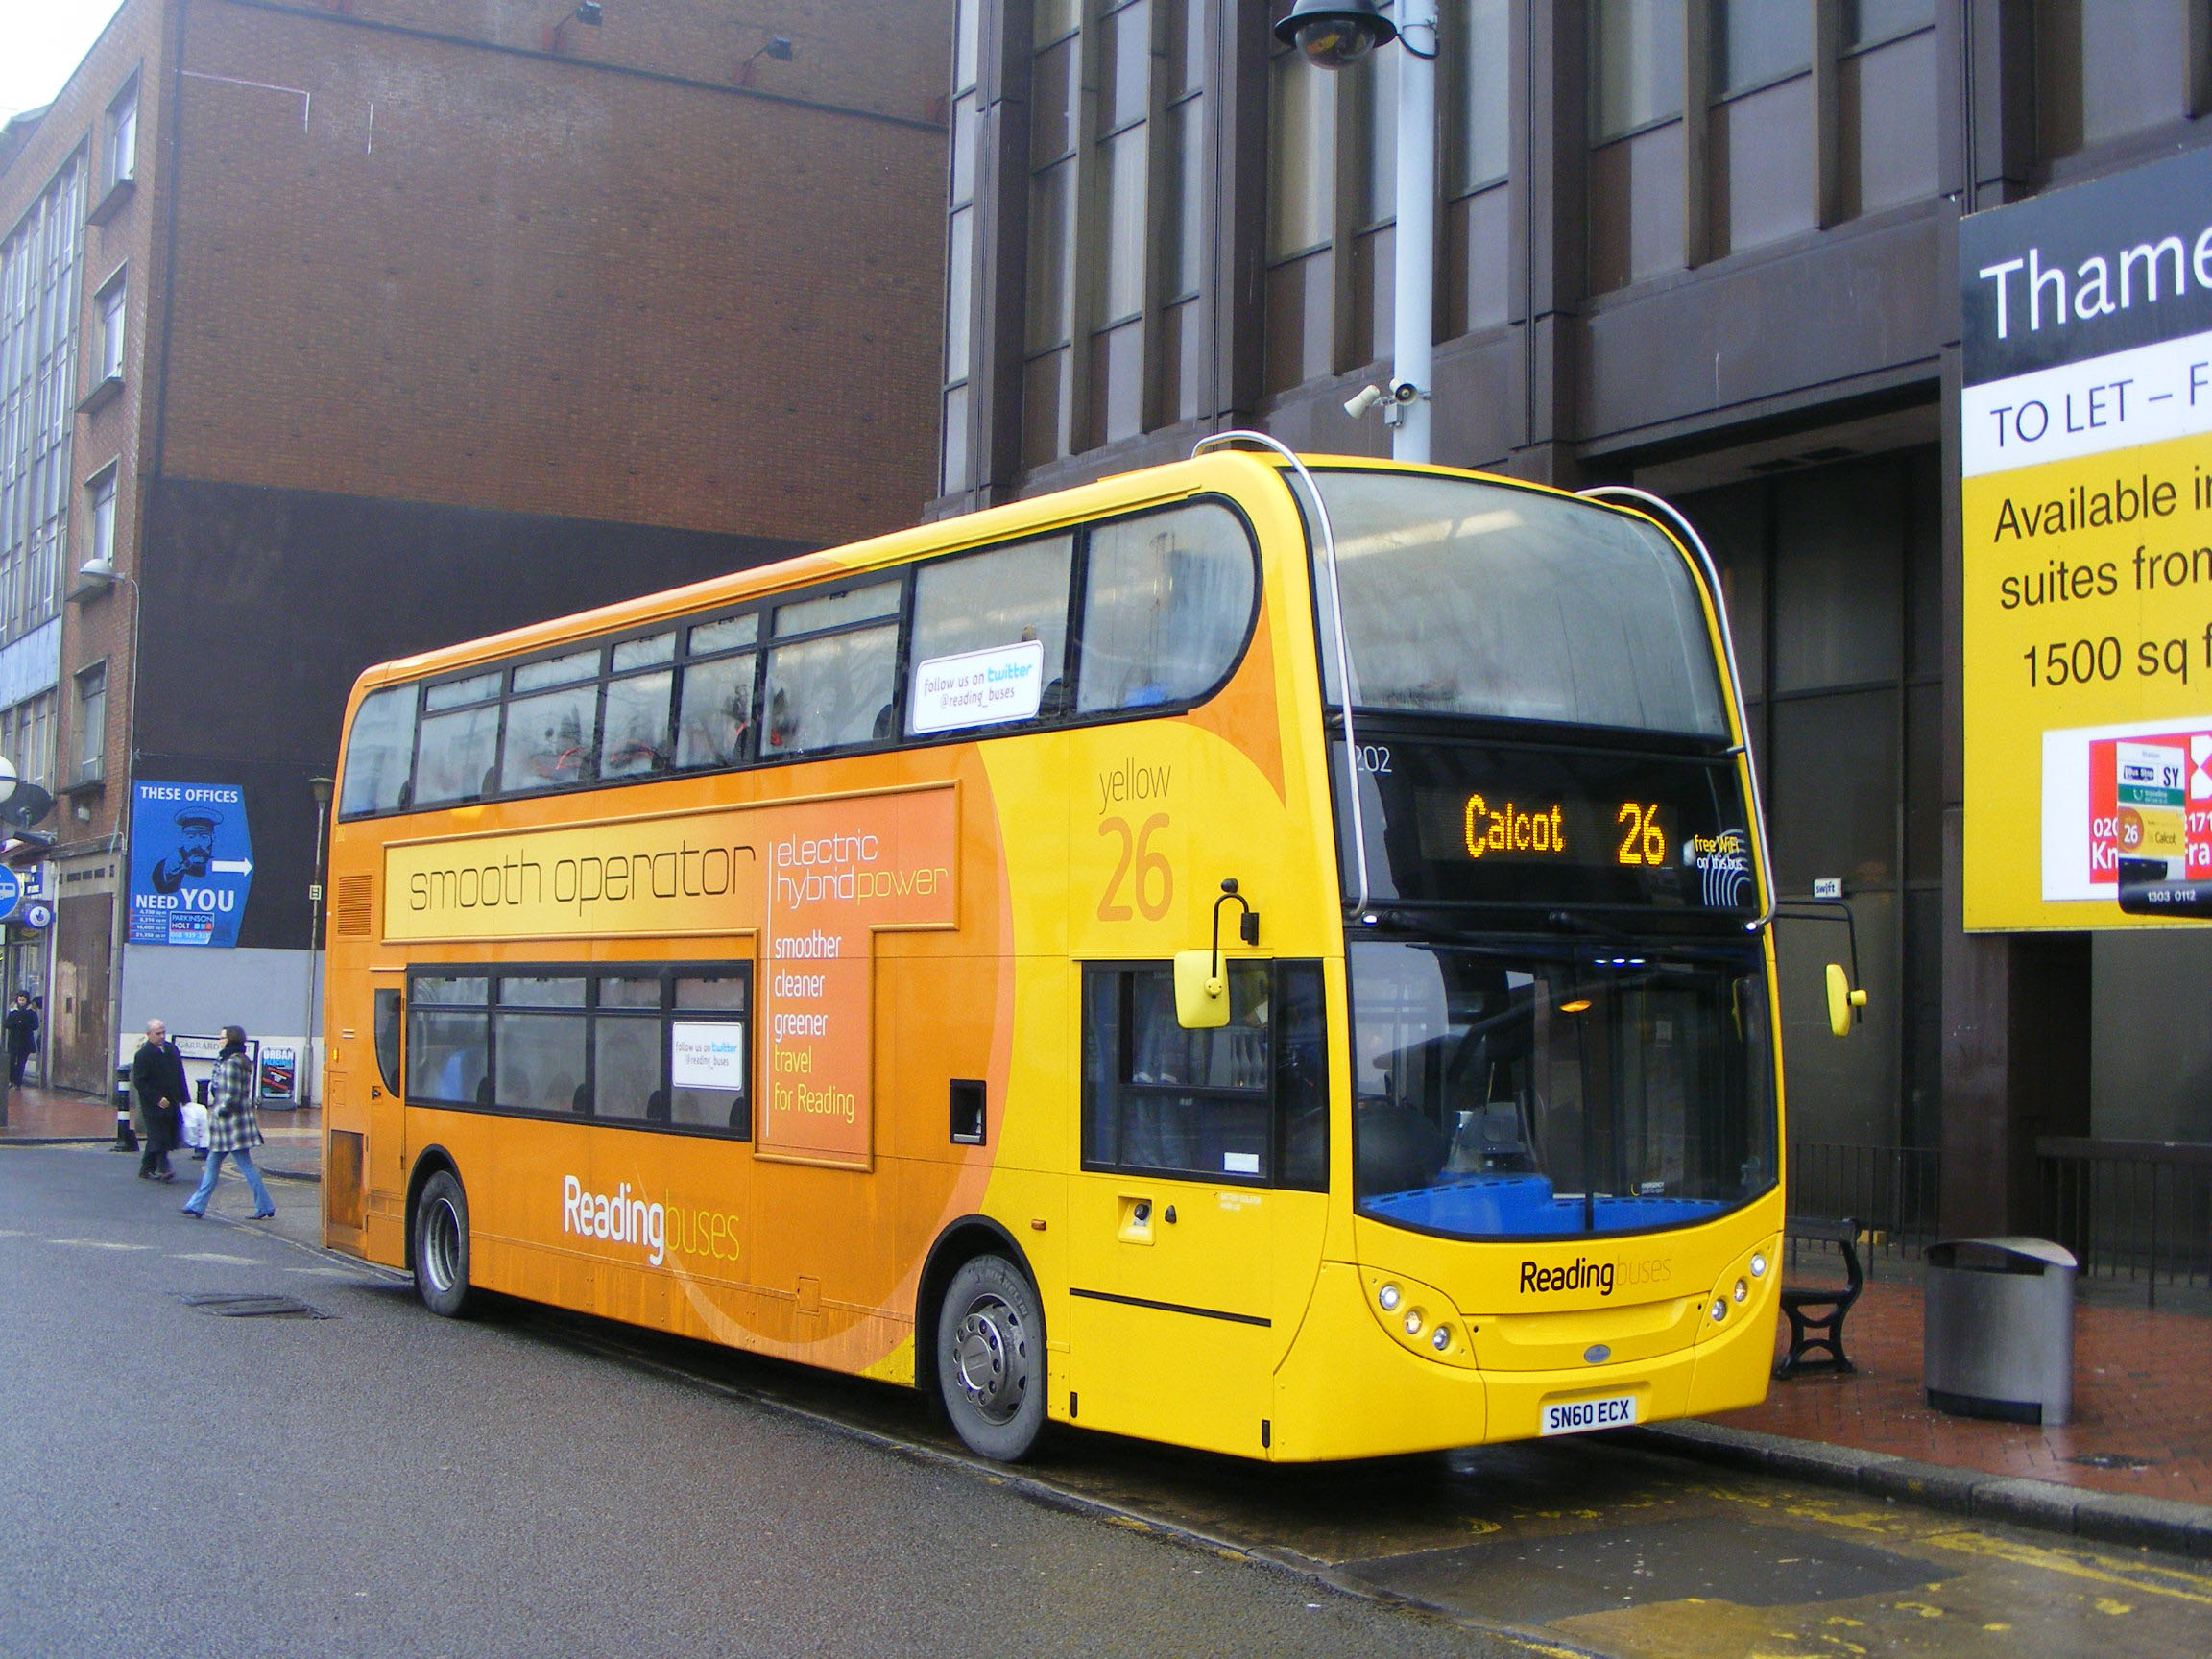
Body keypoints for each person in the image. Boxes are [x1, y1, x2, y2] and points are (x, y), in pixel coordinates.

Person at [180, 1026, 274, 1220]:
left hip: (230, 1124)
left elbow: (230, 1096)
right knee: (214, 1163)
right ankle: (197, 1204)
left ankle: (264, 1205)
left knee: (244, 1166)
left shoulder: (231, 1063)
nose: (219, 1041)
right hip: (236, 1123)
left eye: (222, 1037)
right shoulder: (238, 1060)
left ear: (230, 1040)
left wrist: (218, 1111)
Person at [132, 1019, 188, 1182]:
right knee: (159, 1135)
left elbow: (180, 1074)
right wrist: (157, 1098)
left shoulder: (171, 1049)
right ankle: (165, 1168)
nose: (162, 1036)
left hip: (172, 1100)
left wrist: (185, 1097)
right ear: (148, 1035)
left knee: (162, 1135)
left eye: (163, 1032)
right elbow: (140, 1081)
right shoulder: (143, 1055)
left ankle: (146, 1168)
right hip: (153, 1104)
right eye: (158, 1033)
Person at [4, 991, 36, 1088]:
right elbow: (6, 1024)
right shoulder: (13, 1012)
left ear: (27, 1000)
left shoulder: (31, 1013)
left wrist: (24, 1025)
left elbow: (35, 1025)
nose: (21, 1002)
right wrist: (16, 1024)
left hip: (25, 1041)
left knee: (22, 1062)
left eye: (23, 1000)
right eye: (20, 1000)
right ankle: (12, 1080)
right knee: (11, 1061)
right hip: (14, 1041)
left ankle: (18, 1082)